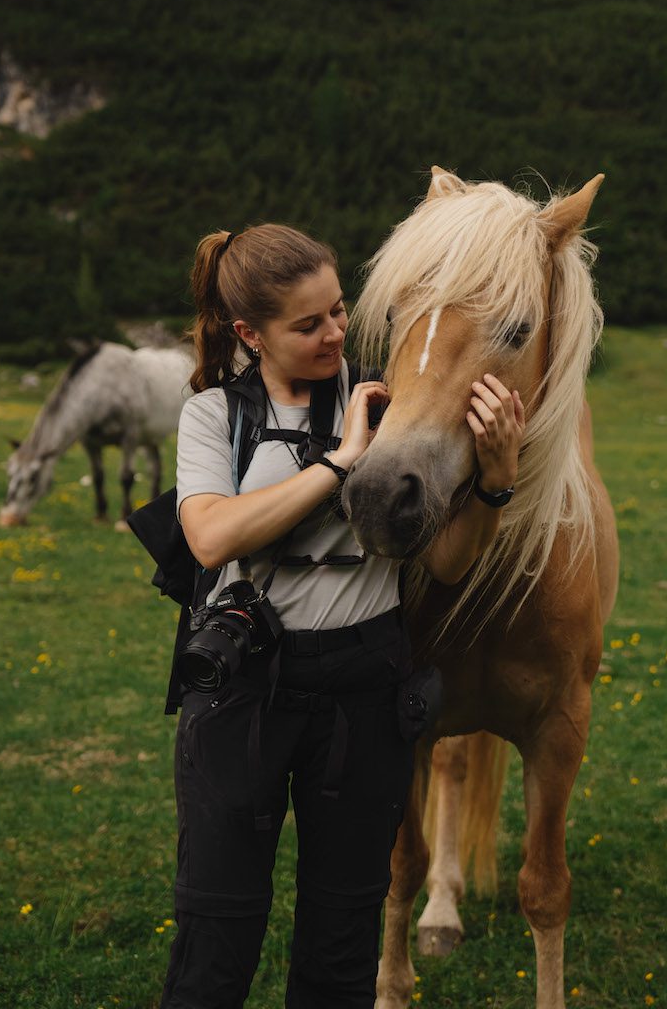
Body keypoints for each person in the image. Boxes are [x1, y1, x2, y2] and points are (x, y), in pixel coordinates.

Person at [160, 223, 525, 1009]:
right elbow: (211, 535)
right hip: (240, 691)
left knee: (342, 934)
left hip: (364, 690)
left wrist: (493, 482)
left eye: (339, 311)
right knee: (217, 926)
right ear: (250, 335)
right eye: (308, 324)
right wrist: (338, 460)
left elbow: (448, 563)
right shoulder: (214, 415)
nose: (335, 333)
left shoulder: (396, 399)